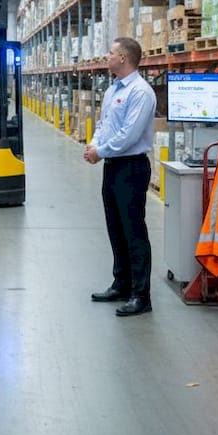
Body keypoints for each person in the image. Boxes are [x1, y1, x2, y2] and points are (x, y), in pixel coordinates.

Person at [84, 37, 157, 317]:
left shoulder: (141, 92)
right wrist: (94, 145)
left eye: (111, 53)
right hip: (113, 166)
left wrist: (100, 151)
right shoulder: (113, 88)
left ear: (124, 58)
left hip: (131, 168)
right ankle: (122, 283)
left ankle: (141, 295)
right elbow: (104, 124)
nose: (107, 56)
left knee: (134, 231)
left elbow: (130, 134)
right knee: (115, 227)